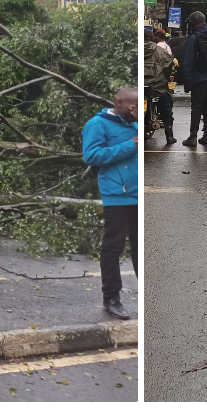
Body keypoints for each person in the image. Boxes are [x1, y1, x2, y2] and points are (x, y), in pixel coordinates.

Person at [82, 87, 139, 318]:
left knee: (140, 247)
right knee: (113, 246)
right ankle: (112, 298)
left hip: (138, 194)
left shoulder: (135, 122)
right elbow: (91, 156)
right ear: (118, 102)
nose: (135, 110)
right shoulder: (97, 124)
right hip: (117, 193)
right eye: (132, 106)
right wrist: (130, 145)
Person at [180, 11, 207, 147]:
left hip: (199, 78)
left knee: (197, 107)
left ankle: (193, 136)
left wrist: (187, 82)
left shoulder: (194, 37)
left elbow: (187, 62)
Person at [144, 30, 177, 145]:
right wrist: (165, 78)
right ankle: (169, 136)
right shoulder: (160, 51)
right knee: (166, 107)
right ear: (152, 38)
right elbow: (169, 64)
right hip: (156, 85)